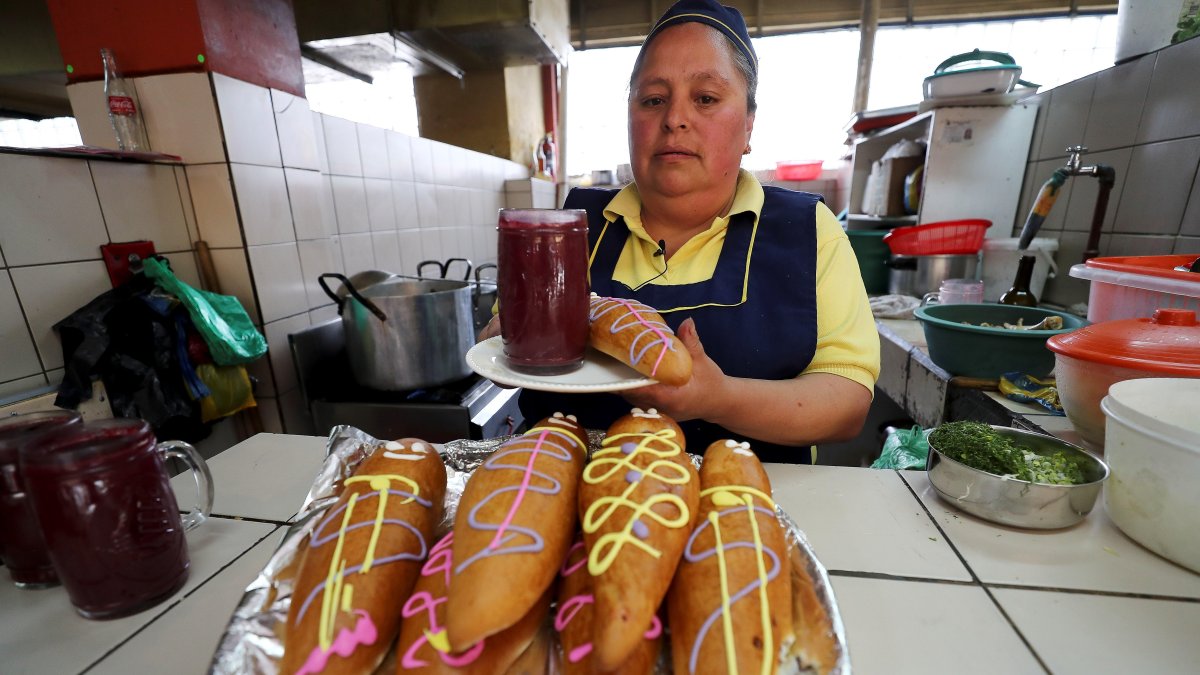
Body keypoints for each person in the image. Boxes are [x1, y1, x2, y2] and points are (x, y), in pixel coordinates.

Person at [484, 0, 880, 463]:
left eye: (706, 98)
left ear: (749, 125)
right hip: (566, 504)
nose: (674, 118)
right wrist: (509, 344)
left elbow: (847, 403)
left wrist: (718, 398)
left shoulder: (807, 232)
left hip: (751, 510)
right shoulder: (567, 228)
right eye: (653, 99)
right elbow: (504, 349)